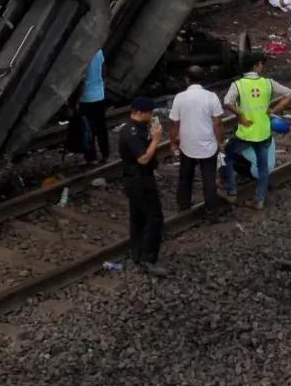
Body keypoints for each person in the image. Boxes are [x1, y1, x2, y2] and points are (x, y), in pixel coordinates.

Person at [222, 55, 291, 209]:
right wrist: (274, 109)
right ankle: (259, 200)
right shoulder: (268, 83)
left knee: (228, 156)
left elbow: (226, 102)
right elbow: (289, 93)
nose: (262, 67)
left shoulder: (238, 85)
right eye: (261, 64)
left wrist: (239, 114)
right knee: (263, 167)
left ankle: (232, 192)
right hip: (263, 132)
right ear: (256, 66)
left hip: (246, 132)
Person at [168, 65, 227, 218]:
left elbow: (174, 124)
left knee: (185, 176)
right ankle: (212, 211)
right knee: (208, 178)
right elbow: (217, 123)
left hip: (187, 145)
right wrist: (220, 142)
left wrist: (173, 144)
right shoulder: (211, 97)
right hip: (208, 145)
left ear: (187, 79)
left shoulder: (179, 97)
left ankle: (184, 205)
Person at [118, 97, 167, 274]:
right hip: (140, 180)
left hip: (134, 179)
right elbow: (143, 158)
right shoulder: (132, 133)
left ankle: (137, 254)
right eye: (149, 113)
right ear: (139, 112)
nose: (151, 115)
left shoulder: (134, 128)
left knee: (138, 218)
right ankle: (148, 260)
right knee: (154, 218)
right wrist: (156, 140)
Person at [75, 48, 108, 165]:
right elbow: (103, 72)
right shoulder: (99, 52)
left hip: (86, 98)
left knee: (88, 129)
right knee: (101, 128)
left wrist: (76, 100)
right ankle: (105, 155)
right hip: (99, 95)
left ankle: (91, 158)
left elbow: (81, 80)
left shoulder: (83, 55)